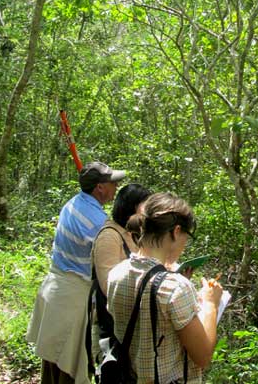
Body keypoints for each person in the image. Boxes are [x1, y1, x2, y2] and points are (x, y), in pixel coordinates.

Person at [107, 191, 222, 384]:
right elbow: (203, 357)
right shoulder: (175, 288)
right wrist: (211, 304)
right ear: (176, 231)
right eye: (187, 235)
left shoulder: (116, 273)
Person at [27, 161, 126, 384]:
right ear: (100, 188)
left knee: (54, 363)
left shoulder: (74, 203)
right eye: (112, 183)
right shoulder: (97, 221)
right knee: (67, 366)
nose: (116, 186)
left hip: (57, 293)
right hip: (71, 298)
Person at [90, 183, 152, 371]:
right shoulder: (110, 236)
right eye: (146, 206)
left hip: (131, 326)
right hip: (113, 328)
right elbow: (108, 286)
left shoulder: (134, 234)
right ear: (133, 207)